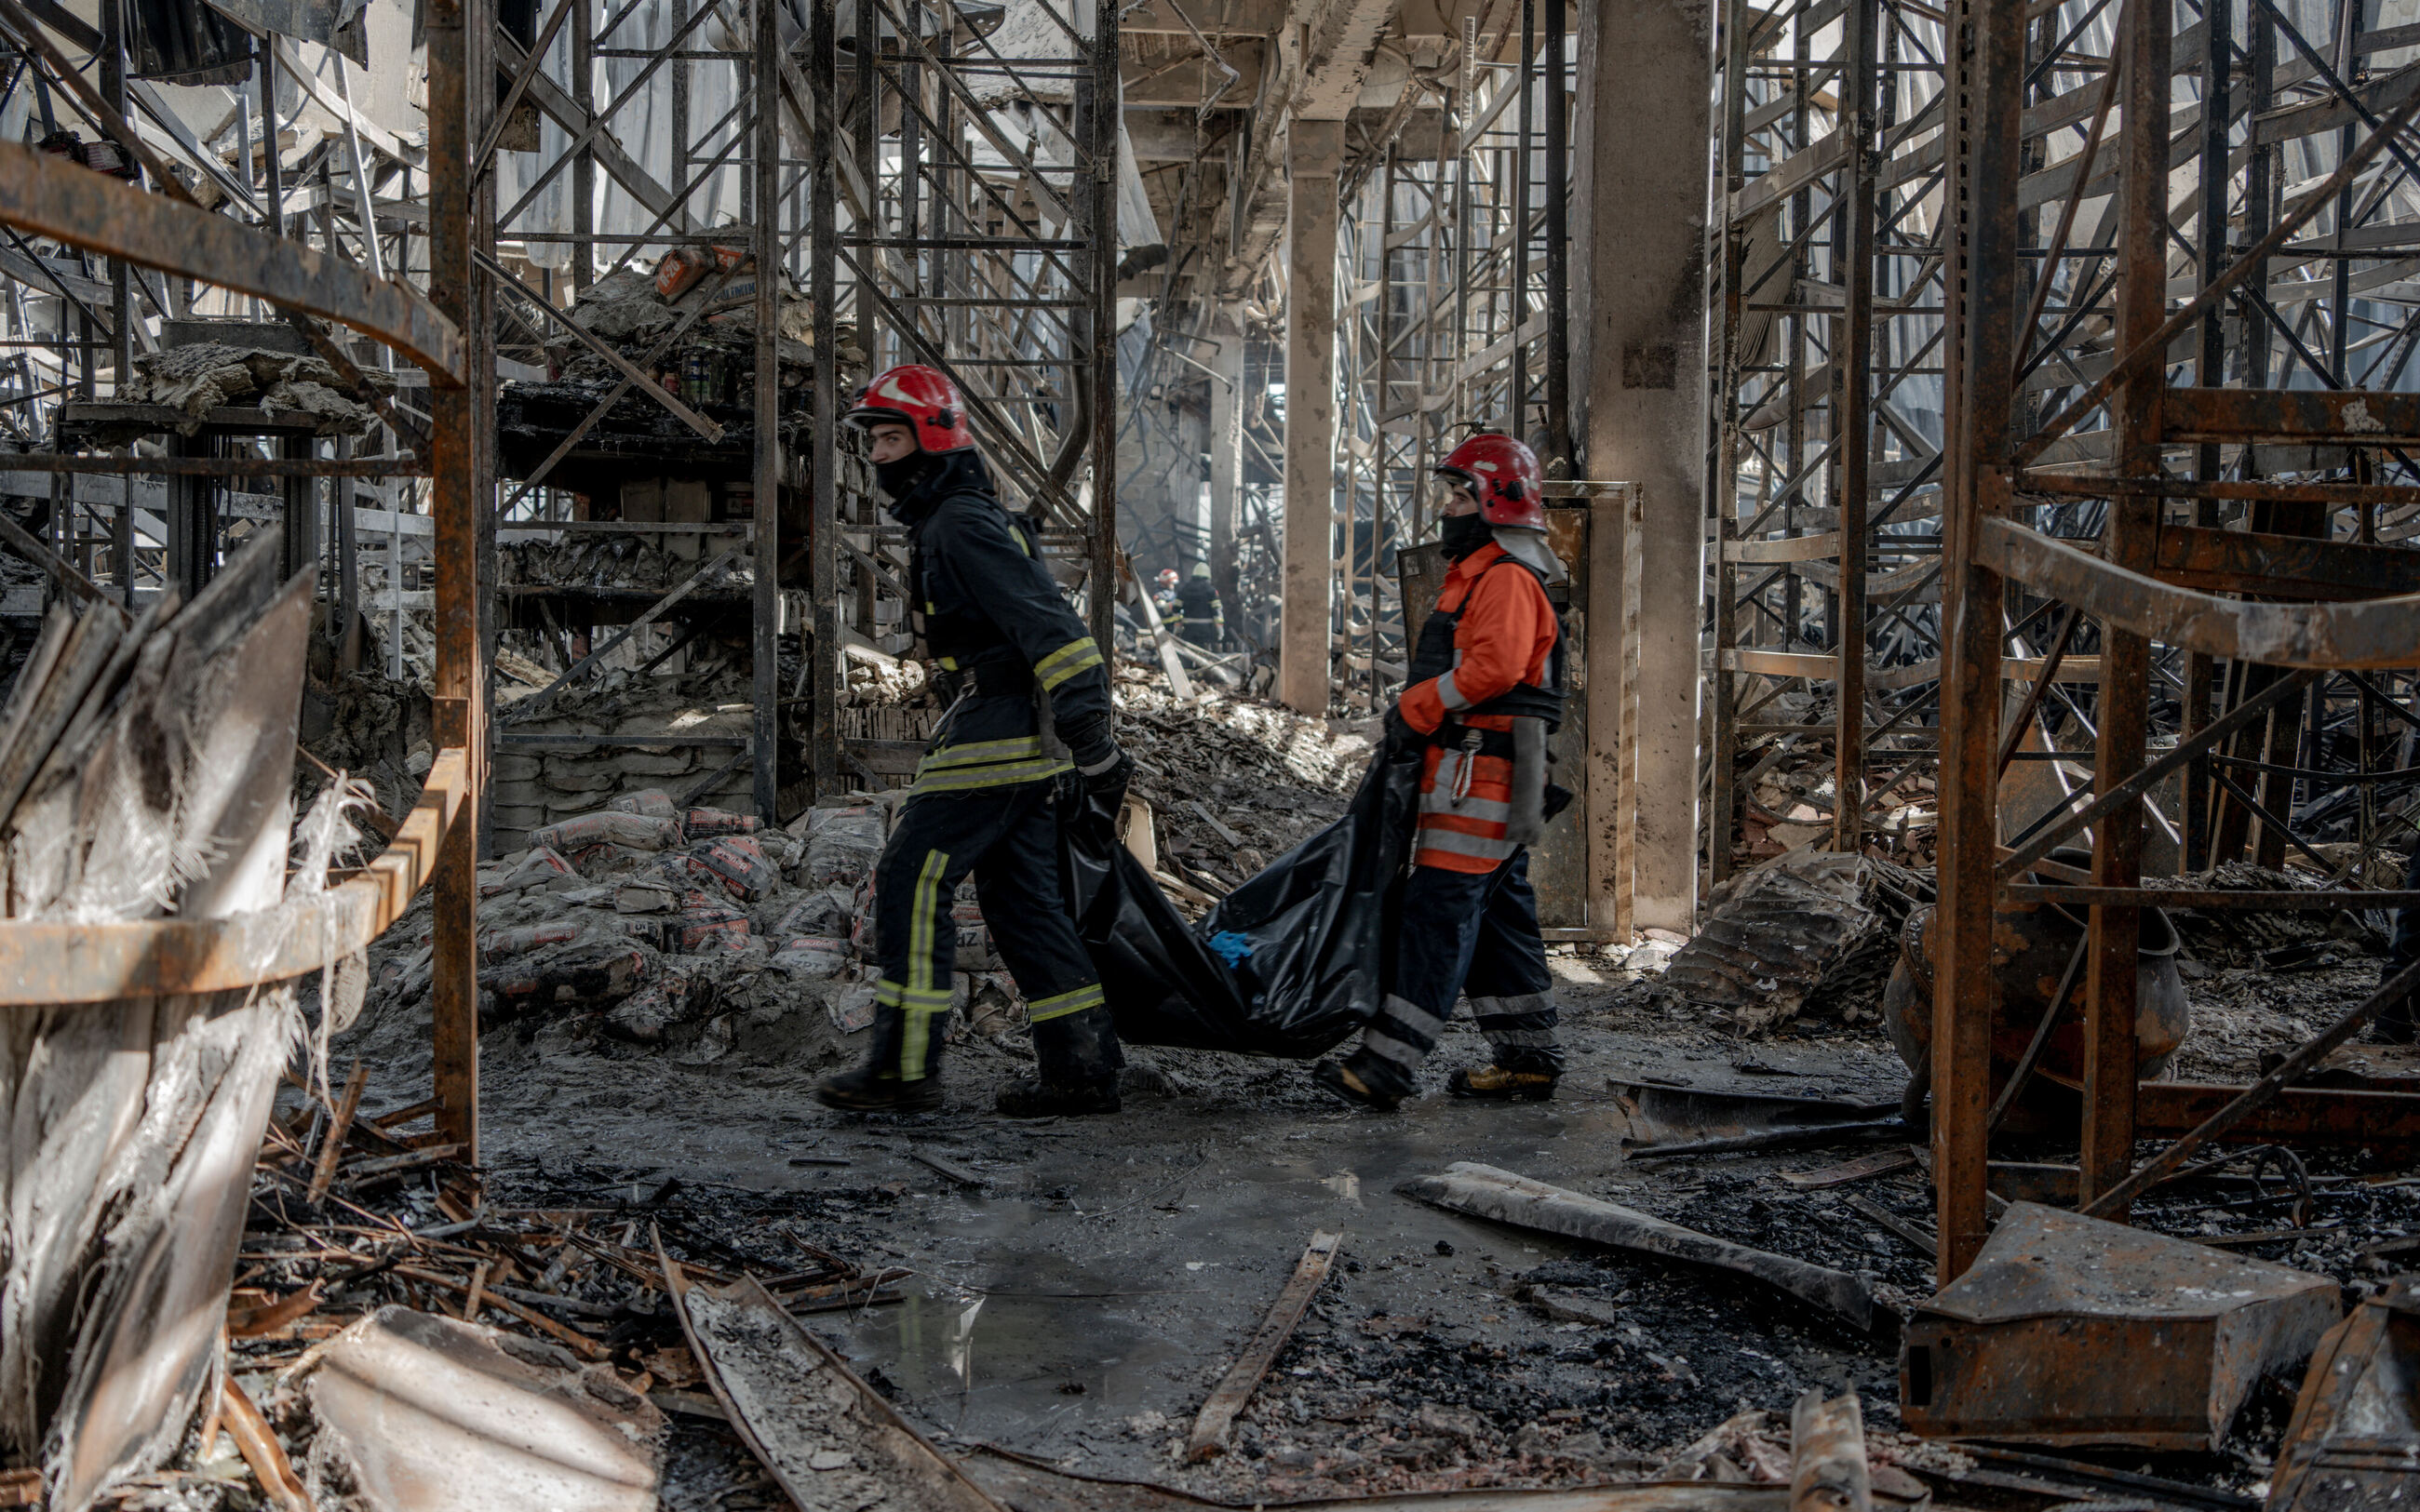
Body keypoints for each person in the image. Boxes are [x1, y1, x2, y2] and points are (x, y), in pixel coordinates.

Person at [814, 364, 1133, 1117]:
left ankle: (903, 1067)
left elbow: (1055, 631)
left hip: (999, 729)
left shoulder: (960, 523)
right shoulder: (956, 519)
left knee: (910, 875)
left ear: (932, 440)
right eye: (876, 440)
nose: (881, 456)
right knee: (1020, 899)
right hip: (1006, 722)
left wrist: (1093, 736)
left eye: (893, 438)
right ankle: (1082, 1068)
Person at [1313, 433, 1568, 1109]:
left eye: (1461, 494)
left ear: (1496, 502)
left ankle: (1386, 1065)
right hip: (1481, 771)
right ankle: (1528, 1056)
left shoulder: (1507, 577)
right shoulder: (1486, 571)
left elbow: (1495, 669)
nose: (1448, 506)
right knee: (1497, 914)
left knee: (1439, 911)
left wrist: (1414, 707)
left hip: (1482, 775)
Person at [1176, 560, 1225, 649]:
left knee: (1187, 654)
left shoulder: (1184, 589)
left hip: (1188, 628)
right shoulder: (1211, 590)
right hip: (1205, 629)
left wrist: (1177, 629)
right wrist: (1220, 630)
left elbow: (1176, 609)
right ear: (1207, 576)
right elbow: (1217, 611)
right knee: (1204, 655)